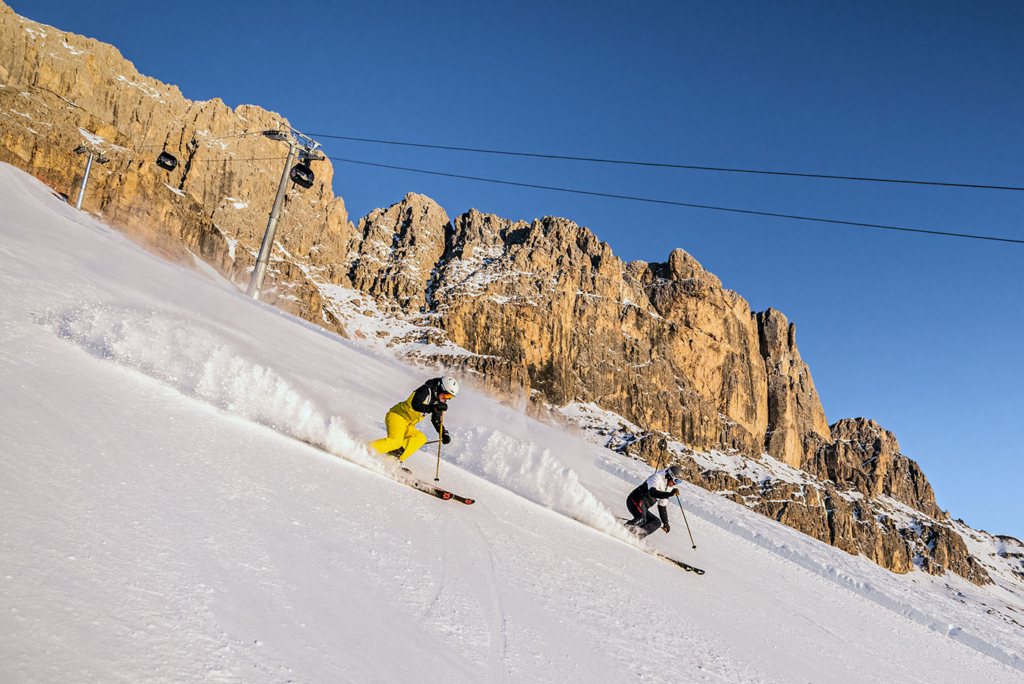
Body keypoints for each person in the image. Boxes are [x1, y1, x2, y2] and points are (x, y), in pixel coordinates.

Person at [370, 376, 458, 462]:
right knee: (396, 442)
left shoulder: (437, 401)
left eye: (450, 397)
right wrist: (432, 408)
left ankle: (392, 459)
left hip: (407, 424)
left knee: (420, 438)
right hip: (397, 416)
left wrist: (443, 433)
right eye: (447, 394)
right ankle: (367, 450)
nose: (446, 399)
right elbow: (415, 404)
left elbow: (436, 420)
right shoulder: (426, 390)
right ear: (440, 388)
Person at [624, 465, 684, 538]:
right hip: (635, 499)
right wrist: (670, 494)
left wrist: (665, 523)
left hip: (643, 506)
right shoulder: (657, 477)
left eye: (679, 482)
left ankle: (638, 536)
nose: (675, 484)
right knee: (642, 519)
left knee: (656, 522)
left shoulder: (668, 487)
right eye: (676, 481)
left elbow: (662, 506)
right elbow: (653, 492)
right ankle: (625, 529)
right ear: (670, 476)